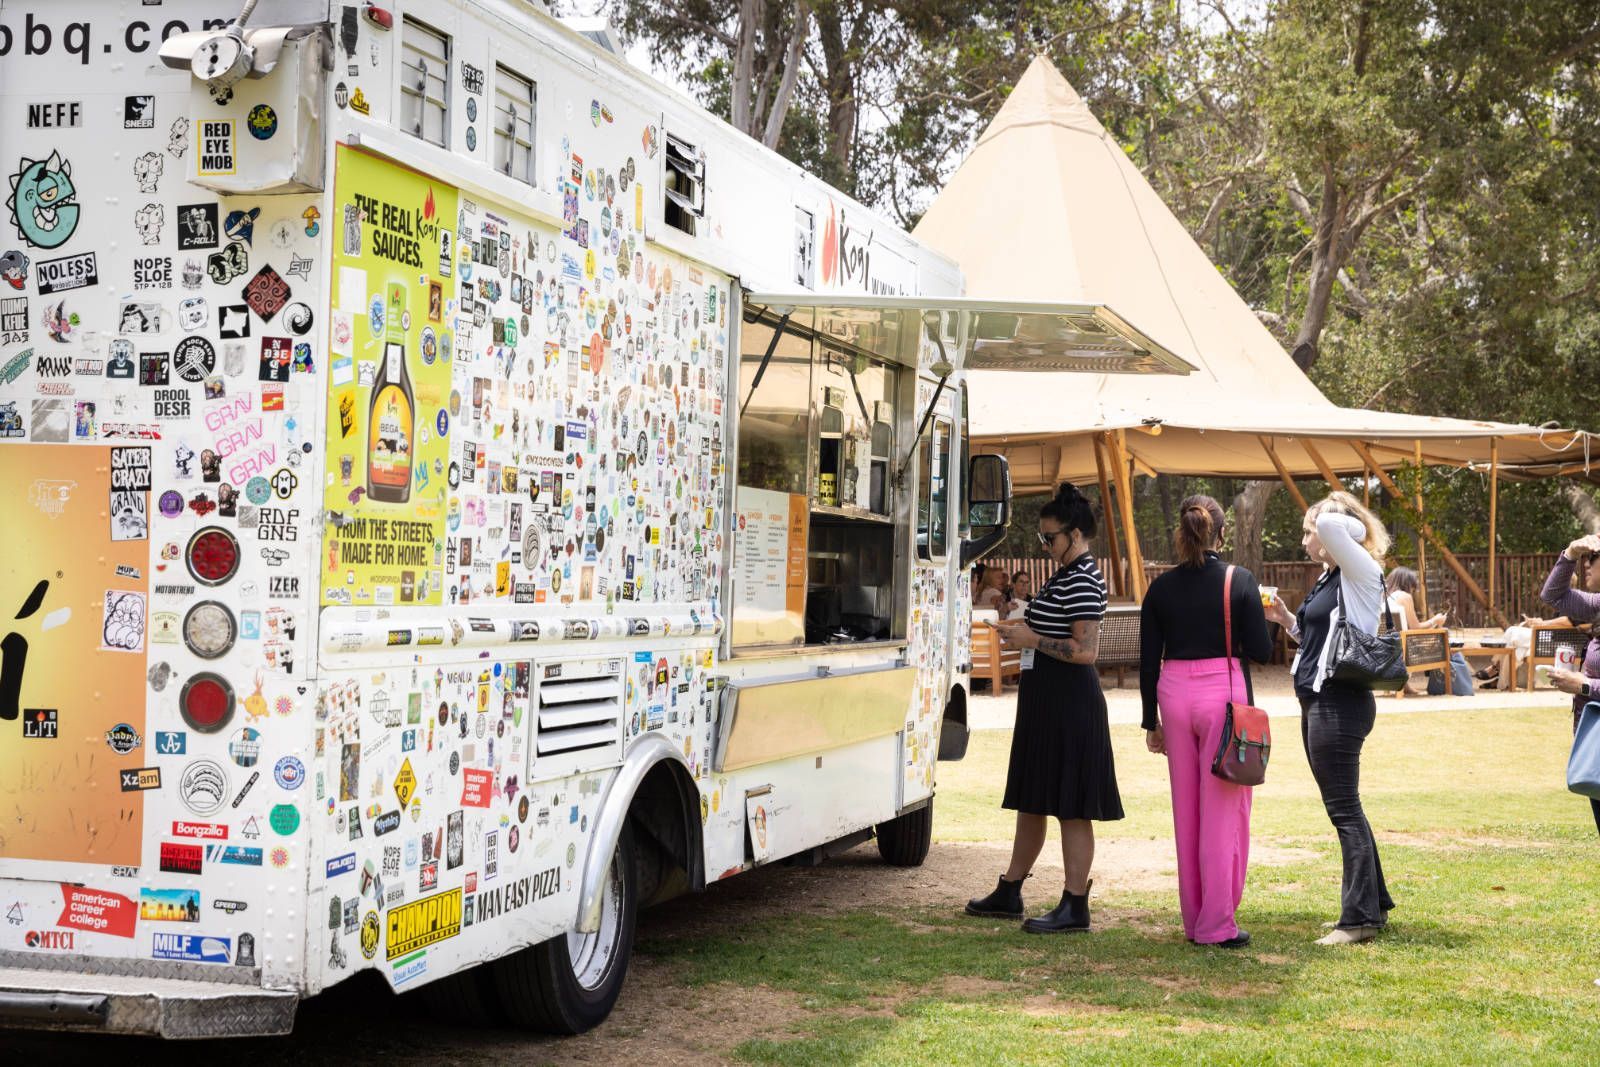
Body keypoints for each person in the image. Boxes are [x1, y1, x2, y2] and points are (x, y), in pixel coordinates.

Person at [965, 483, 1122, 932]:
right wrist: (1022, 623)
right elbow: (1053, 628)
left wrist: (1032, 639)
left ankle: (1075, 904)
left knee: (1072, 804)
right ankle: (1011, 889)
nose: (1045, 545)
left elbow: (1085, 650)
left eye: (1049, 538)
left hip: (1071, 704)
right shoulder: (1064, 574)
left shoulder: (1085, 577)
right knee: (1032, 797)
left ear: (1074, 535)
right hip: (1045, 701)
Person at [1263, 491, 1396, 945]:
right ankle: (1372, 905)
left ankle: (1358, 919)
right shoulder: (1331, 576)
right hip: (1321, 699)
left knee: (1344, 809)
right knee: (1345, 806)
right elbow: (1327, 643)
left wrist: (1334, 515)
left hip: (1340, 703)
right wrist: (1287, 622)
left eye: (1309, 530)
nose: (1306, 539)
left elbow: (1336, 529)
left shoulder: (1360, 568)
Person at [1139, 495, 1272, 948]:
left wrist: (1148, 722)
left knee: (1186, 812)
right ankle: (1217, 924)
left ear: (1181, 532)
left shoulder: (1160, 588)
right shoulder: (1239, 580)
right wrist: (1264, 613)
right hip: (1223, 695)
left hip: (1173, 694)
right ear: (1222, 532)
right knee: (1222, 813)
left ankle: (1195, 920)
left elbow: (1146, 660)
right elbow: (1260, 649)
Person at [1539, 533, 1600, 835]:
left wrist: (1585, 685)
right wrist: (1571, 553)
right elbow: (1552, 595)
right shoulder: (1598, 605)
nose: (1585, 567)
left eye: (1592, 560)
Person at [1383, 567, 1472, 696]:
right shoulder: (1405, 597)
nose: (1413, 590)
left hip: (1385, 647)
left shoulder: (1384, 596)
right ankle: (1451, 685)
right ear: (1407, 583)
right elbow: (1416, 628)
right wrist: (1435, 621)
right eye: (1413, 587)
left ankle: (1404, 685)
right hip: (1405, 650)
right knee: (1445, 634)